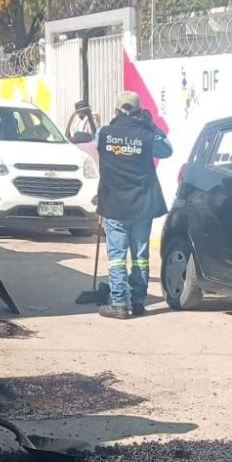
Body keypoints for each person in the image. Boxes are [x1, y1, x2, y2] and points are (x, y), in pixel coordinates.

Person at [94, 91, 173, 319]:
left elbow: (93, 141)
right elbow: (167, 150)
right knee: (140, 256)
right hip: (141, 207)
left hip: (114, 205)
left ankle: (119, 304)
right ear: (139, 112)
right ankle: (138, 301)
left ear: (117, 111)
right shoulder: (147, 135)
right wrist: (151, 126)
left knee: (117, 256)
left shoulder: (104, 133)